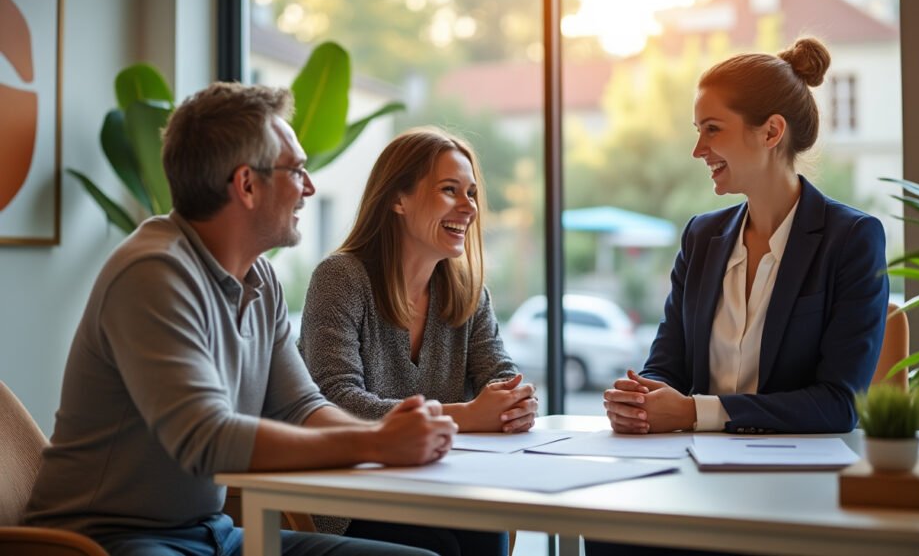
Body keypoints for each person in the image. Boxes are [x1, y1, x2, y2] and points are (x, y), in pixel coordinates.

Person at [24, 83, 455, 556]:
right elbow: (208, 441)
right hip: (105, 539)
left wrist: (383, 435)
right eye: (297, 171)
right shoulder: (153, 273)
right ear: (247, 184)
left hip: (213, 532)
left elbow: (300, 408)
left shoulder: (261, 278)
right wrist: (376, 447)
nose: (309, 187)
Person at [591, 38, 888, 555]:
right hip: (695, 481)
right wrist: (645, 397)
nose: (698, 150)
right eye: (697, 132)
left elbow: (839, 404)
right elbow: (668, 363)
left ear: (772, 131)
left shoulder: (852, 239)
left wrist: (693, 413)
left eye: (712, 130)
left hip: (795, 498)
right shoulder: (702, 237)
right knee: (610, 531)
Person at [299, 127, 537, 556]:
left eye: (472, 193)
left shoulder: (467, 293)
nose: (469, 207)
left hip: (443, 486)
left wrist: (513, 402)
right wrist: (464, 416)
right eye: (450, 190)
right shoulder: (341, 279)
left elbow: (501, 377)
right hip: (353, 495)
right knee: (444, 543)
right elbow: (334, 401)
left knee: (486, 530)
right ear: (397, 199)